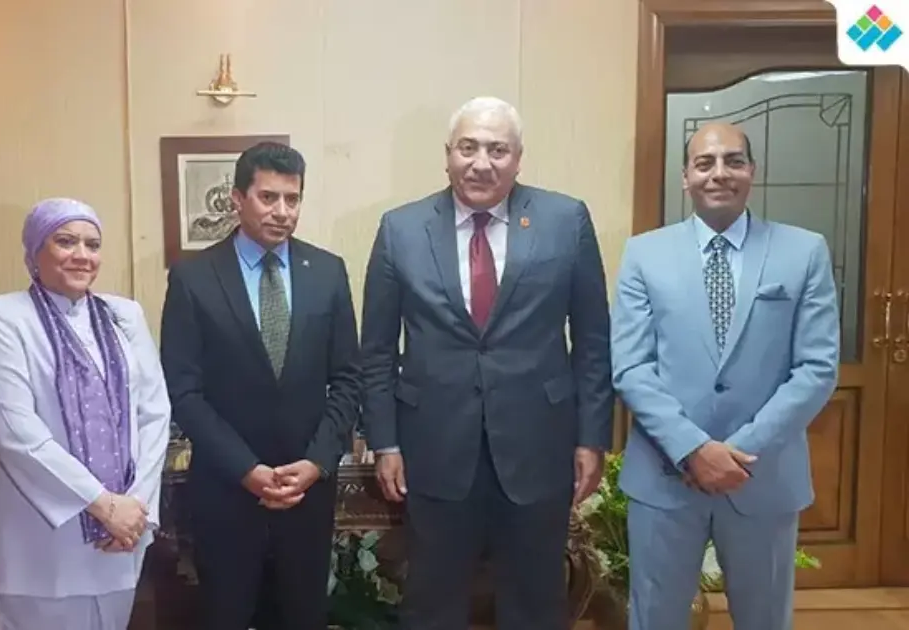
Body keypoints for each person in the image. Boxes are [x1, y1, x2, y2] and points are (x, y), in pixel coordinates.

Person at [359, 96, 614, 629]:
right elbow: (377, 351)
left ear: (518, 158)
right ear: (447, 154)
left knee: (536, 603)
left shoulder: (565, 220)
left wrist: (592, 438)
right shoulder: (401, 229)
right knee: (432, 603)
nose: (481, 163)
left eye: (497, 150)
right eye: (468, 148)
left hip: (538, 448)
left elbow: (592, 340)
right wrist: (385, 442)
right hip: (434, 448)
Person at [611, 122, 839, 630]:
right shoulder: (645, 254)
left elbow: (817, 367)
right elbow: (630, 366)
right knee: (655, 619)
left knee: (764, 619)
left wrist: (738, 453)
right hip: (666, 477)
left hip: (763, 476)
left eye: (734, 161)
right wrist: (694, 449)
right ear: (685, 176)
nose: (719, 173)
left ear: (752, 171)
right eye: (705, 163)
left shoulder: (803, 252)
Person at [159, 141, 362, 630]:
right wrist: (246, 469)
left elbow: (347, 379)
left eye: (292, 199)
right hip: (226, 491)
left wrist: (316, 462)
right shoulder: (193, 278)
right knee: (225, 615)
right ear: (237, 198)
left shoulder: (327, 272)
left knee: (302, 617)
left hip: (306, 492)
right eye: (268, 197)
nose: (282, 212)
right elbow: (184, 391)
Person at [0, 198, 172, 630]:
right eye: (65, 241)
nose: (82, 255)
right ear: (35, 251)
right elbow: (16, 434)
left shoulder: (124, 316)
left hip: (121, 538)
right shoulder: (1, 318)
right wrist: (104, 505)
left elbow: (154, 414)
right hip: (37, 543)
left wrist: (136, 508)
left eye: (92, 245)